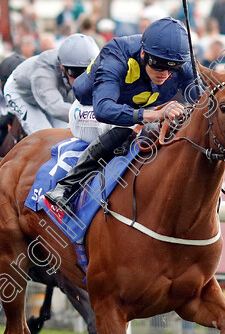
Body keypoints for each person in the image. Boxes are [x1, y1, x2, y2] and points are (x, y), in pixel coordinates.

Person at [44, 17, 196, 208]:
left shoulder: (183, 62)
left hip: (136, 109)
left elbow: (204, 103)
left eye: (172, 67)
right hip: (89, 109)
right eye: (158, 65)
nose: (165, 73)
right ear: (143, 54)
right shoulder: (116, 54)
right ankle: (67, 187)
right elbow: (103, 109)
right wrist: (153, 115)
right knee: (130, 124)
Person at [3, 33, 100, 135]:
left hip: (55, 91)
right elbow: (54, 107)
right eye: (75, 72)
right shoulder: (43, 70)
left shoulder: (79, 68)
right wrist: (92, 115)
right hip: (22, 93)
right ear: (62, 66)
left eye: (86, 72)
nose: (80, 79)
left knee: (69, 133)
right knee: (45, 134)